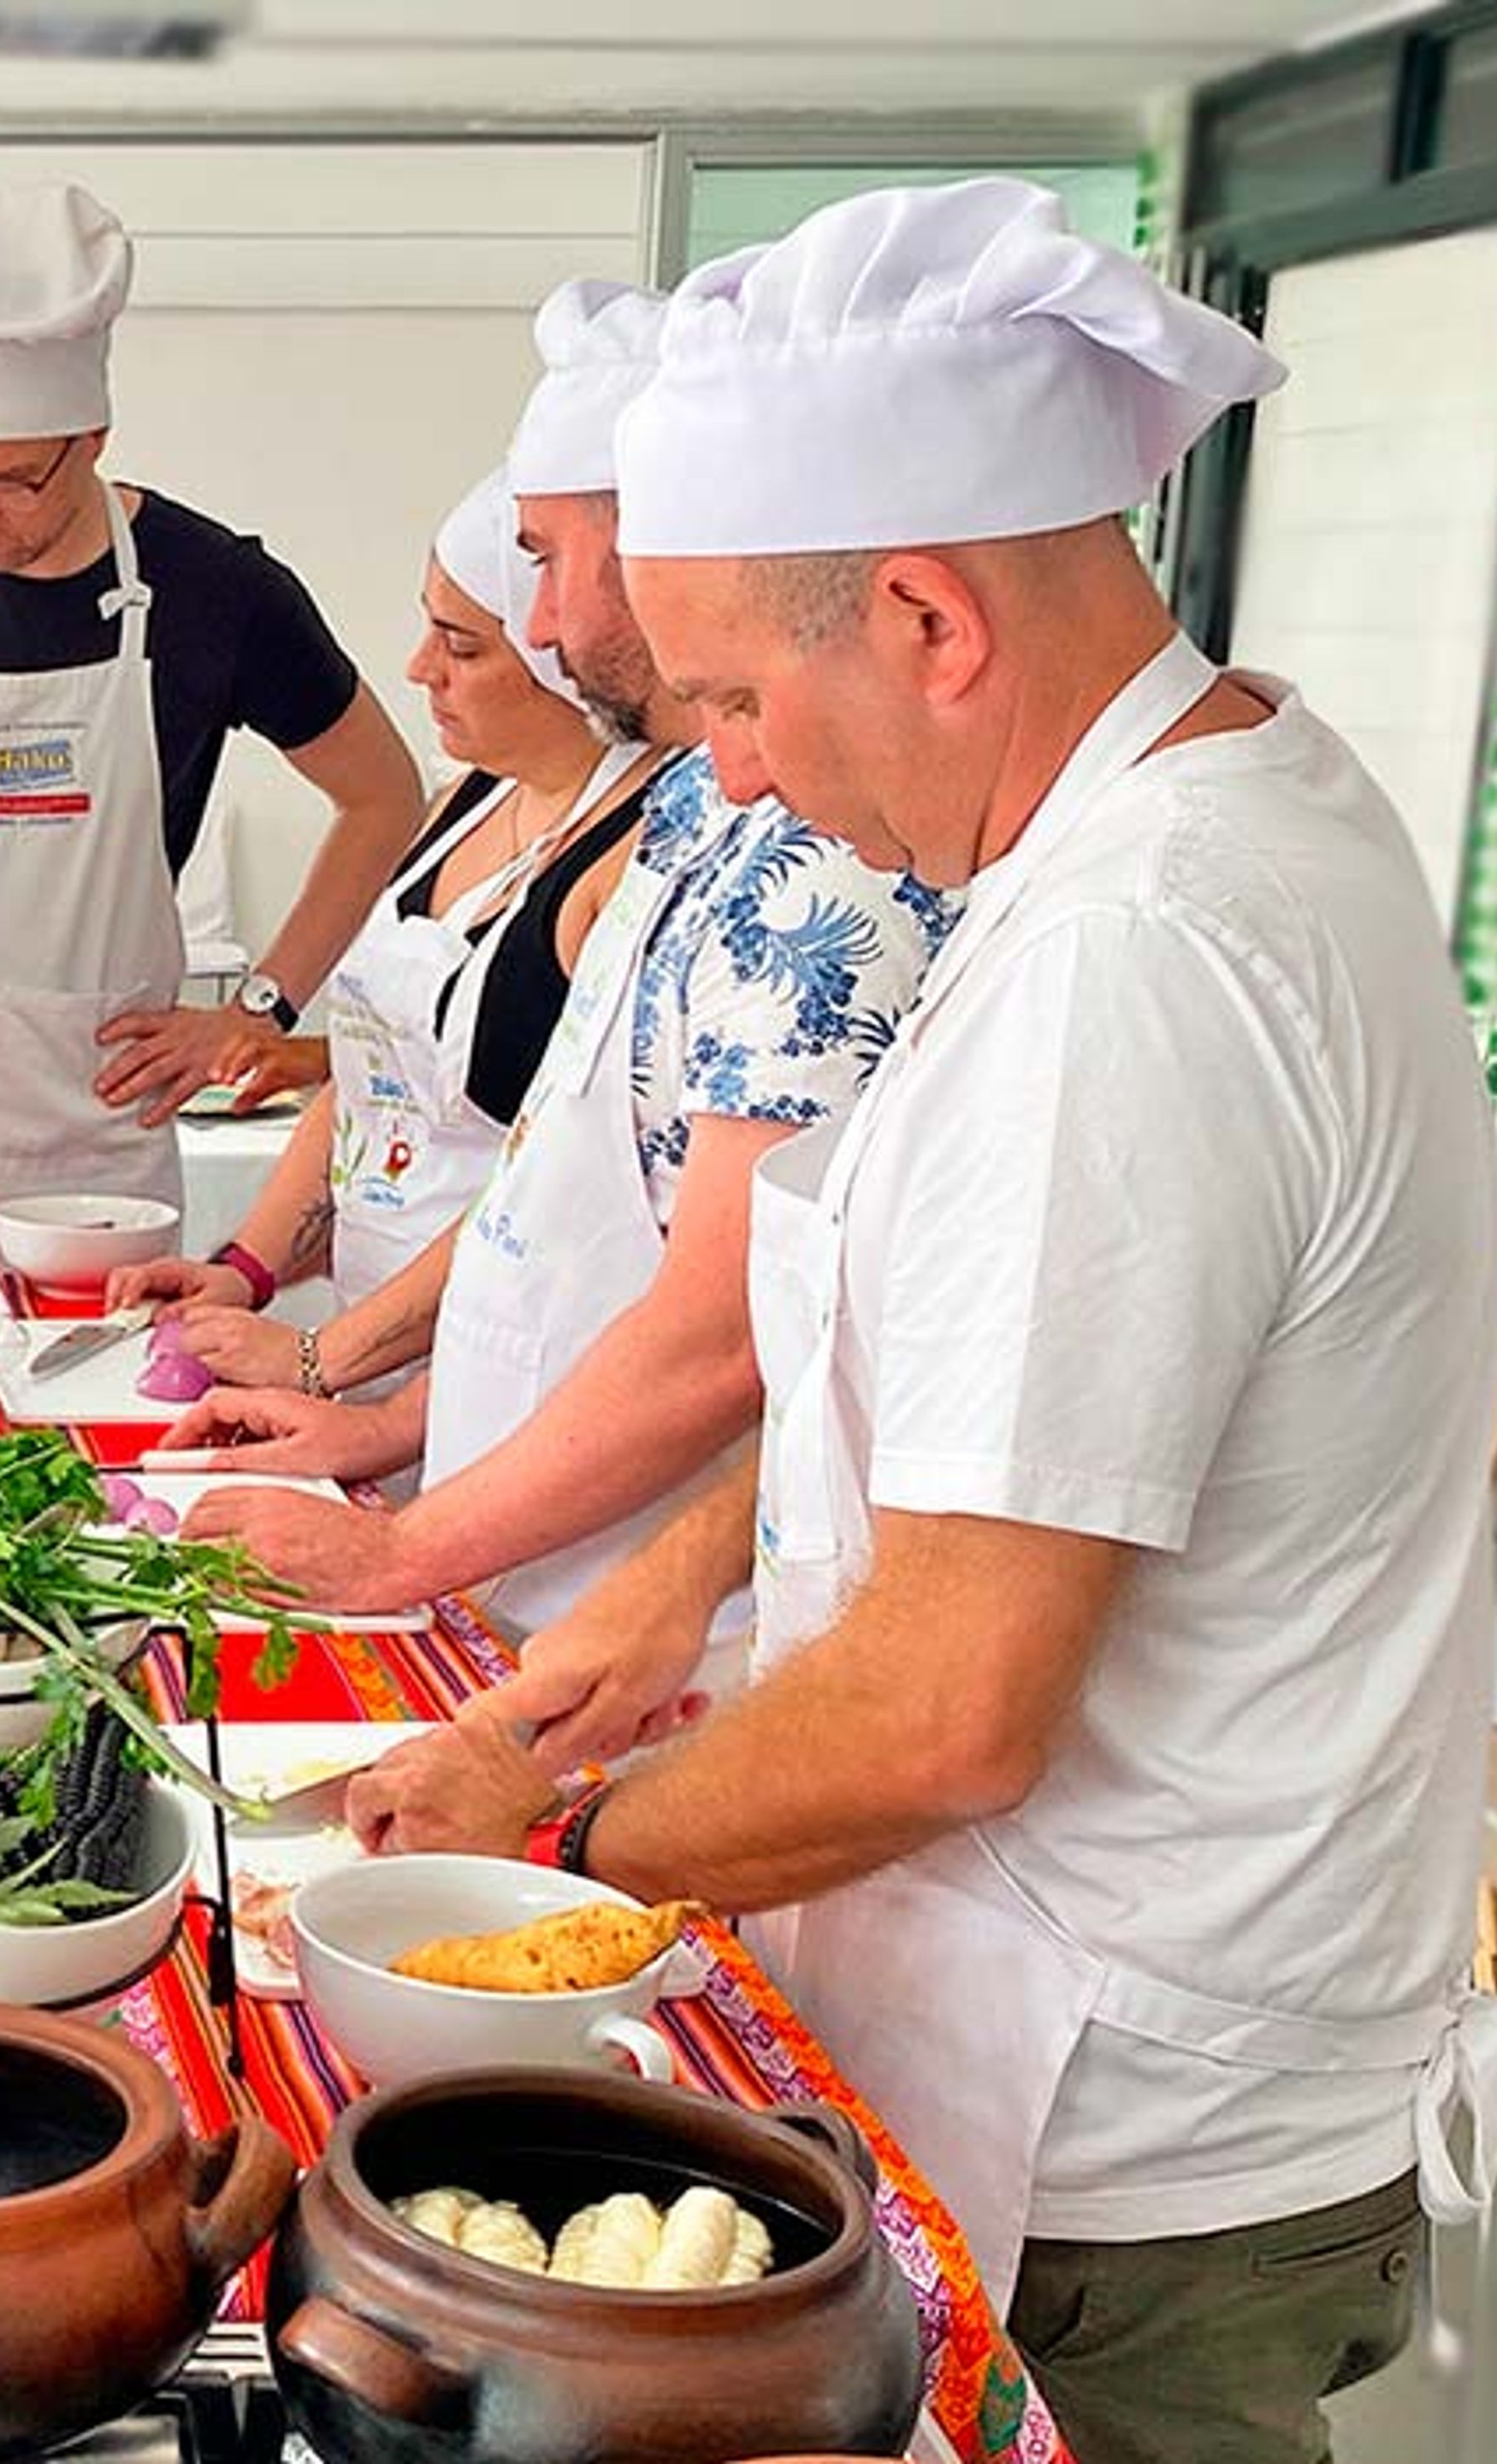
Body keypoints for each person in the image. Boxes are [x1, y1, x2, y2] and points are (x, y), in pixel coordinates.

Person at [352, 181, 1497, 2464]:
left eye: (748, 701)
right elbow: (989, 1403)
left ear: (927, 615)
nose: (741, 778)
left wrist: (552, 1879)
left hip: (1122, 2137)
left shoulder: (1133, 962)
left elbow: (960, 1708)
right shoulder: (1210, 807)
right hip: (1154, 2054)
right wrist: (671, 1606)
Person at [169, 278, 950, 1655]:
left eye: (543, 561)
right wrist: (387, 1424)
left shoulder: (823, 851)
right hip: (511, 1545)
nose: (534, 624)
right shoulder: (705, 798)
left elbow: (718, 1332)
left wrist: (397, 1533)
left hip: (646, 1620)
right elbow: (567, 1216)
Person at [0, 181, 429, 1247]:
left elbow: (386, 797)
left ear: (93, 436)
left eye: (12, 481)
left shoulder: (218, 589)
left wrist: (259, 1011)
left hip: (95, 1137)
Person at [110, 466, 668, 1395]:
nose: (419, 669)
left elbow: (552, 1183)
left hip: (513, 1367)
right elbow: (376, 1078)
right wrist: (246, 1270)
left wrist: (318, 1359)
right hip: (368, 1349)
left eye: (461, 647)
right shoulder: (465, 802)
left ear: (557, 659)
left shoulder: (629, 855)